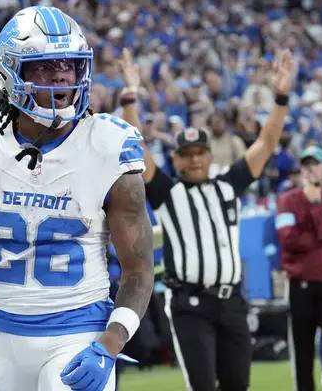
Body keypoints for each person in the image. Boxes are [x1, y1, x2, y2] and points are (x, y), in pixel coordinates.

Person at [0, 6, 154, 391]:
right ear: (12, 70)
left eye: (70, 64)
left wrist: (109, 345)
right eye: (46, 66)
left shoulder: (110, 143)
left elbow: (138, 267)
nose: (62, 75)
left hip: (78, 333)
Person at [119, 47, 296, 391]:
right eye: (187, 156)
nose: (195, 161)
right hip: (190, 304)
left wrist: (281, 96)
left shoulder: (228, 184)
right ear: (177, 160)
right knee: (202, 386)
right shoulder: (167, 191)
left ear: (210, 155)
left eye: (200, 153)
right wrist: (130, 95)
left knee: (237, 385)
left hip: (232, 302)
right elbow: (133, 144)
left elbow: (267, 141)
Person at [275, 145, 322, 391]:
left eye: (315, 164)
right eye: (306, 164)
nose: (310, 169)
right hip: (301, 285)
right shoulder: (287, 201)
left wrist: (316, 203)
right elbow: (287, 238)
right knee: (303, 352)